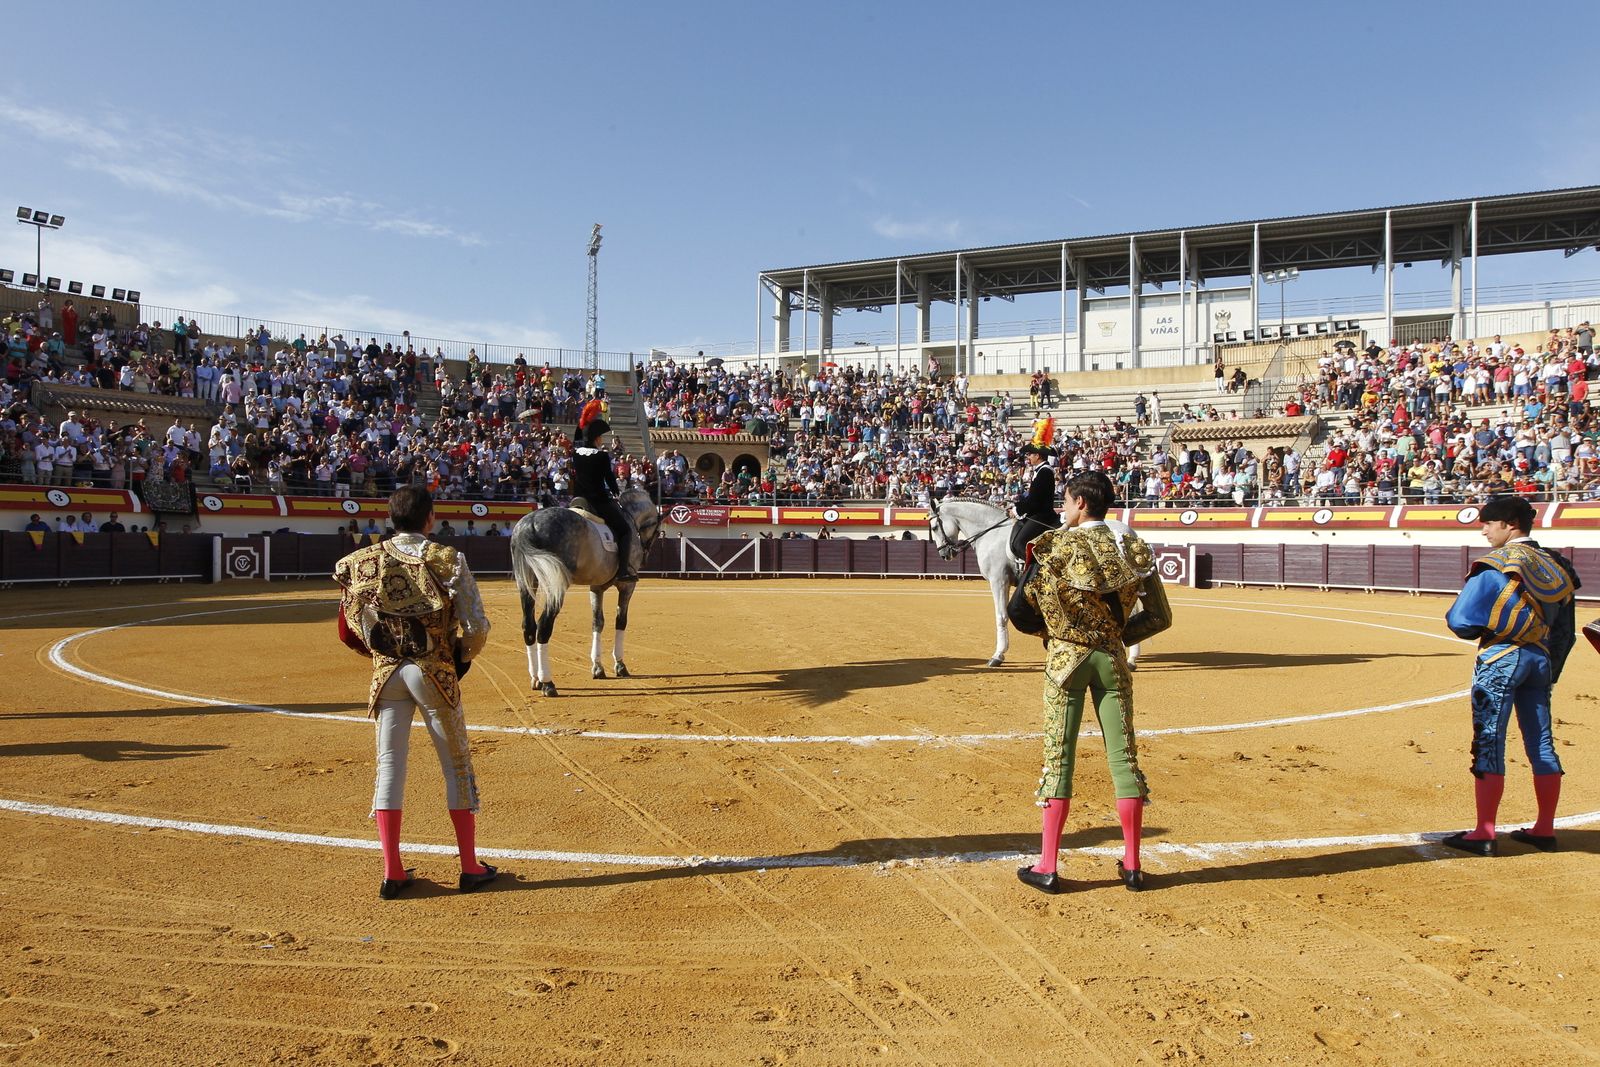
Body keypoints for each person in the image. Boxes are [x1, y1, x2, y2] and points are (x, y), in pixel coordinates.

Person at [332, 486, 499, 899]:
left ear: (391, 519)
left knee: (389, 766)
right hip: (434, 671)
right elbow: (476, 626)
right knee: (456, 767)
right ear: (429, 518)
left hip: (388, 675)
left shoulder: (360, 562)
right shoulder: (446, 559)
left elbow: (349, 628)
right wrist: (461, 657)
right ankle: (469, 867)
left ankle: (393, 872)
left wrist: (381, 651)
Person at [1016, 470, 1173, 894]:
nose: (1062, 509)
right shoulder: (1134, 548)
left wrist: (1056, 635)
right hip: (1112, 660)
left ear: (1081, 503)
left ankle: (1048, 865)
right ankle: (1133, 865)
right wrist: (1115, 637)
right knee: (1124, 759)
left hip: (1066, 659)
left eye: (1066, 501)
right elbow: (1160, 617)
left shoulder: (1053, 546)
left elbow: (1024, 610)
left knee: (1059, 758)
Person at [1442, 494, 1578, 856]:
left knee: (1489, 739)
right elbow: (1565, 631)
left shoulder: (1495, 564)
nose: (1484, 530)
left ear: (1510, 525)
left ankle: (1484, 832)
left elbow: (1460, 620)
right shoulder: (1558, 565)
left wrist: (1483, 633)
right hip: (1540, 659)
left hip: (1501, 657)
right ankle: (1544, 829)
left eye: (1489, 523)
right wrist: (1550, 670)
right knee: (1542, 742)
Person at [571, 412, 637, 582]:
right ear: (596, 439)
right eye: (600, 437)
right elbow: (609, 478)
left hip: (577, 500)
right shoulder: (601, 456)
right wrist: (616, 492)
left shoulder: (576, 454)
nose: (601, 440)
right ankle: (622, 571)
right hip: (597, 501)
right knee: (625, 530)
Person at [1008, 444, 1059, 561]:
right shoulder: (1041, 471)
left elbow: (1035, 500)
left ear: (1038, 455)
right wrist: (1017, 505)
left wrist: (1017, 510)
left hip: (1041, 515)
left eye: (1030, 454)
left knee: (1020, 543)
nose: (1028, 457)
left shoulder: (1044, 472)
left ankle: (1041, 569)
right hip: (1037, 512)